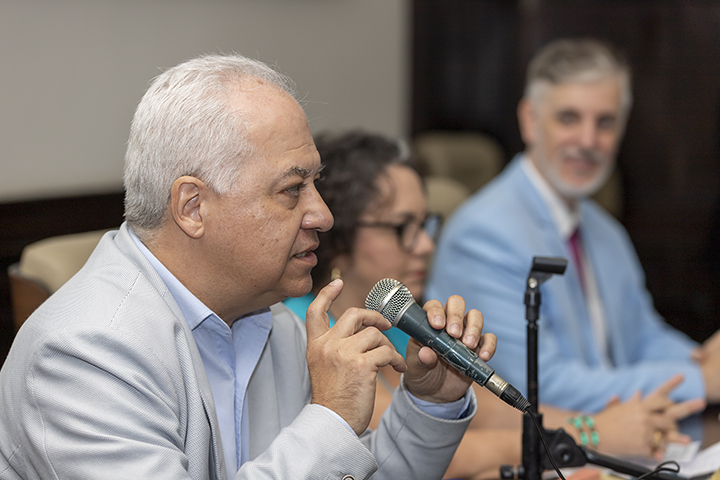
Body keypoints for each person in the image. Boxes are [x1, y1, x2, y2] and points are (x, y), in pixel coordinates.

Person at [0, 54, 494, 480]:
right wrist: (331, 417)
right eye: (291, 189)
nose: (323, 214)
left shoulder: (269, 319)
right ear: (193, 207)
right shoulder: (82, 352)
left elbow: (345, 469)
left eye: (315, 184)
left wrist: (431, 403)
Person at [285, 130, 703, 480]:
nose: (427, 245)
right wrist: (592, 434)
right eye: (402, 228)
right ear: (339, 237)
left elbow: (483, 413)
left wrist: (600, 426)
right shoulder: (306, 328)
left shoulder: (397, 320)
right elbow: (419, 455)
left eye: (426, 224)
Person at [426, 37, 720, 430]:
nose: (587, 141)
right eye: (569, 118)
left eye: (605, 122)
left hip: (624, 447)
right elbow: (538, 386)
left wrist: (701, 361)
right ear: (530, 120)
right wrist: (703, 381)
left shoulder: (605, 229)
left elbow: (643, 338)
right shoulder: (483, 233)